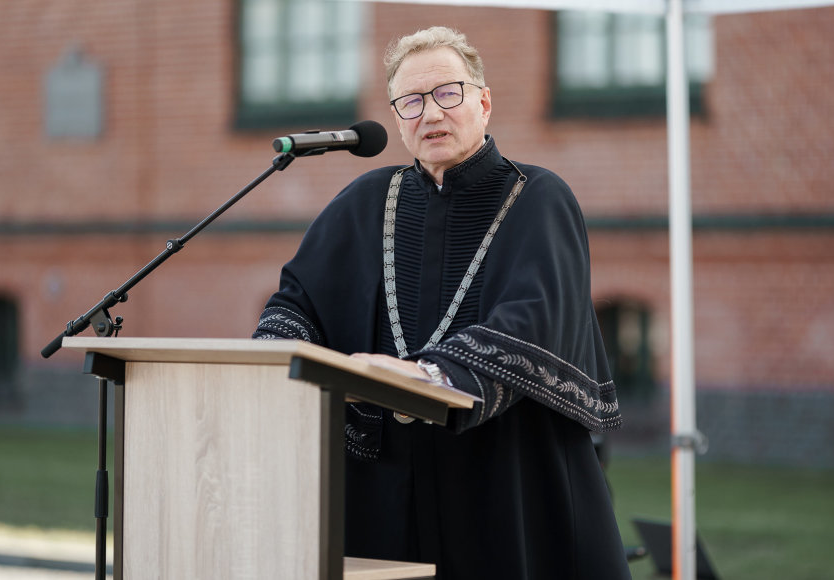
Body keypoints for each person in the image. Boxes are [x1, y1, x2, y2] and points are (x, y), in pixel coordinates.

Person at [253, 26, 631, 580]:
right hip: (382, 489)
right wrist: (278, 363)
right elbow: (295, 304)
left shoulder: (539, 197)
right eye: (410, 102)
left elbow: (534, 317)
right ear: (397, 117)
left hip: (503, 481)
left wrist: (428, 375)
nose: (430, 114)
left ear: (483, 102)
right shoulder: (364, 201)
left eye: (447, 94)